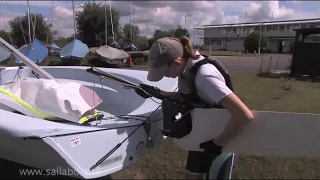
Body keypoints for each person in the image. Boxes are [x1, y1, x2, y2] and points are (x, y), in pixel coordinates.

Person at [134, 36, 254, 179]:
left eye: (164, 72)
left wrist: (217, 143)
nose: (165, 76)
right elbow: (190, 94)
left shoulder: (205, 77)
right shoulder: (186, 68)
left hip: (223, 142)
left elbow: (245, 115)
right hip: (201, 136)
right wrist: (157, 93)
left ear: (177, 62)